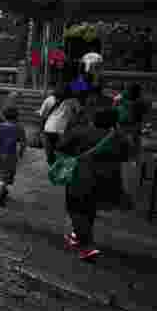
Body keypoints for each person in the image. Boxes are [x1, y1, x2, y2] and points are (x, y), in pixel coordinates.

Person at [59, 108, 133, 260]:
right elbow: (126, 156)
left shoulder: (80, 132)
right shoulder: (120, 138)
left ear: (93, 118)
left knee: (76, 210)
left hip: (81, 178)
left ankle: (86, 247)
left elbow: (61, 147)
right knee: (89, 208)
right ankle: (78, 236)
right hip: (109, 180)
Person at [0, 106, 26, 206]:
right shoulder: (19, 128)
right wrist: (21, 152)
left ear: (3, 116)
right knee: (4, 178)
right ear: (17, 116)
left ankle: (2, 191)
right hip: (9, 156)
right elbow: (22, 143)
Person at [42, 85, 81, 166]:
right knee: (63, 153)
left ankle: (53, 169)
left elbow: (43, 115)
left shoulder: (49, 99)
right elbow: (79, 114)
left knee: (50, 155)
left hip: (48, 129)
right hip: (63, 130)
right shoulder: (74, 101)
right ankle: (60, 170)